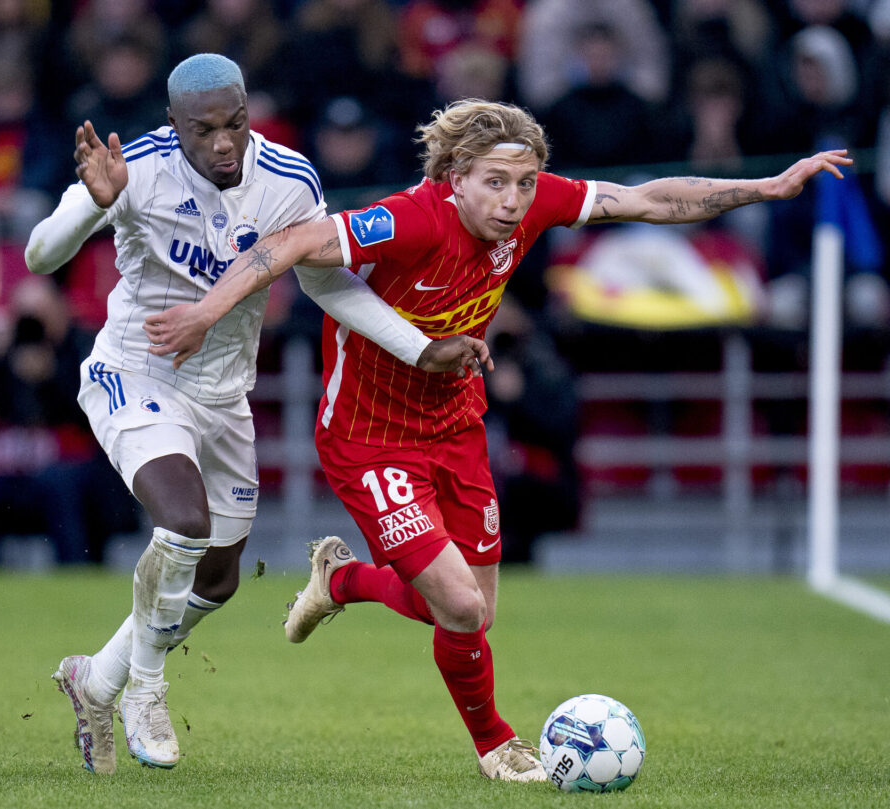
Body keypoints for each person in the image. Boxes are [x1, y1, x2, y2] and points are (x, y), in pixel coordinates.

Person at [143, 98, 851, 781]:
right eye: (495, 183)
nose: (514, 200)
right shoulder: (410, 219)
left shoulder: (535, 203)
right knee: (461, 608)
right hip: (370, 437)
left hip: (456, 425)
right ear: (456, 179)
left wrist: (766, 185)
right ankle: (498, 745)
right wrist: (206, 311)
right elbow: (292, 242)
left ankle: (345, 579)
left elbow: (648, 200)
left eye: (523, 183)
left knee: (470, 614)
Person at [23, 54, 488, 776]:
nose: (223, 143)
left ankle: (96, 679)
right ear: (172, 125)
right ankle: (146, 687)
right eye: (203, 130)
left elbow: (327, 283)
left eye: (234, 123)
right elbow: (38, 255)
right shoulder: (134, 167)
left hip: (224, 395)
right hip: (137, 372)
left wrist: (422, 348)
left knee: (216, 579)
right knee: (182, 519)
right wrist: (92, 202)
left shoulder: (289, 179)